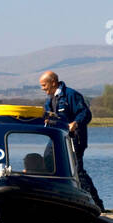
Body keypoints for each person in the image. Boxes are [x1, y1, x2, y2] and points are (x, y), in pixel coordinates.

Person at [39, 70, 104, 209]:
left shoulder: (71, 95)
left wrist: (76, 123)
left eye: (44, 85)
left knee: (76, 170)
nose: (42, 88)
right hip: (57, 138)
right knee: (48, 161)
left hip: (75, 139)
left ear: (53, 83)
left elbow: (86, 114)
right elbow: (47, 114)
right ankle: (60, 198)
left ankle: (96, 204)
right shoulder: (50, 99)